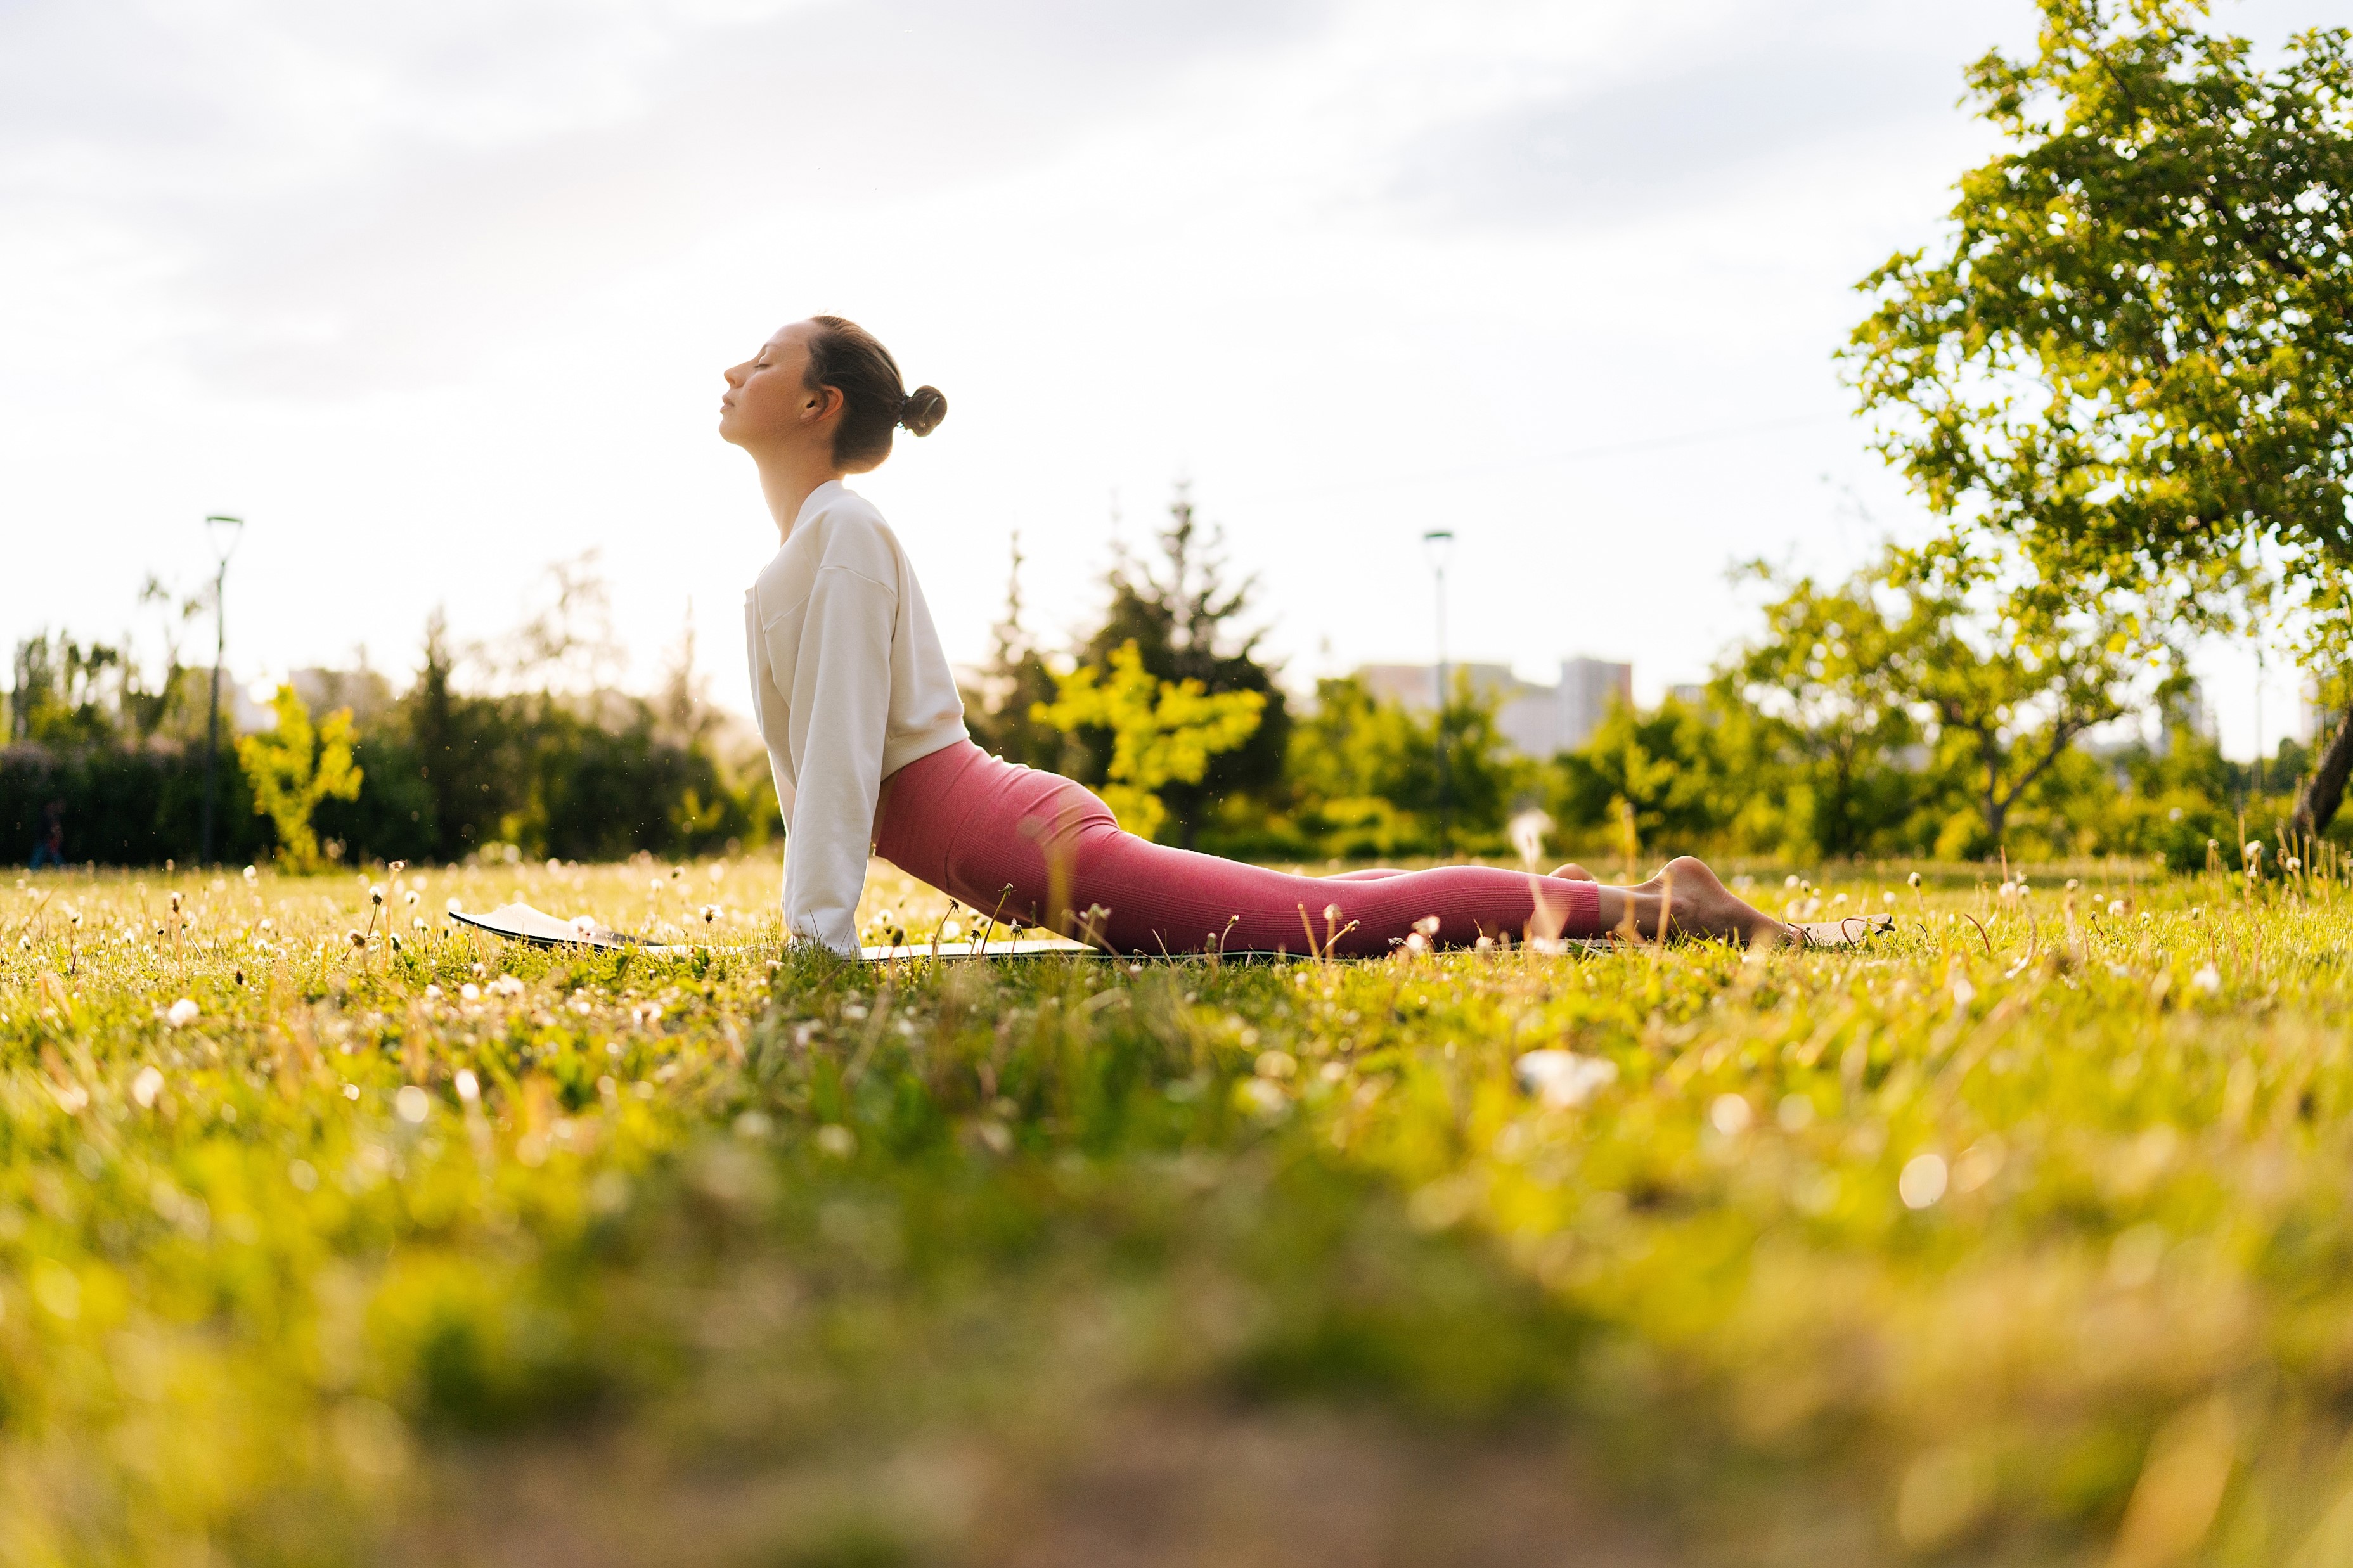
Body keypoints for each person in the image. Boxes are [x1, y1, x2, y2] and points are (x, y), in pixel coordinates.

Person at [724, 316, 1793, 956]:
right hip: (993, 837)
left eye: (762, 361)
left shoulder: (846, 533)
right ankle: (1560, 897)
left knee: (1317, 927)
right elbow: (811, 766)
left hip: (1024, 840)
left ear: (819, 403)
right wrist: (815, 923)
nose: (734, 373)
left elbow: (845, 754)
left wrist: (818, 936)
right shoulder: (790, 560)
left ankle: (1668, 906)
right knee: (1324, 908)